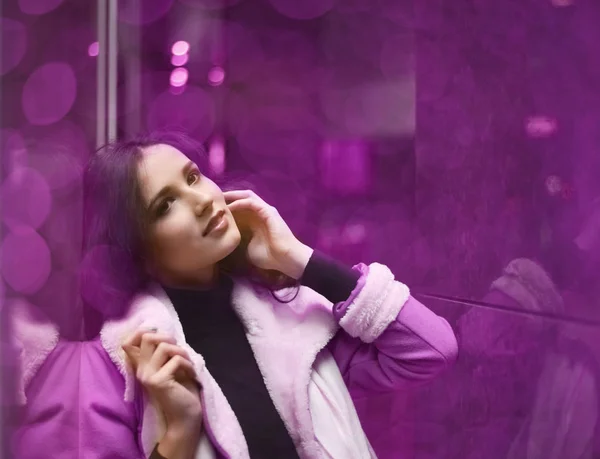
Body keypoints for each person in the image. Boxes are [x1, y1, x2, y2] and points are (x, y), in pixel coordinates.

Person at [13, 131, 458, 459]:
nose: (203, 199)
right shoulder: (116, 366)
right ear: (138, 252)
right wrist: (179, 437)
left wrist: (299, 260)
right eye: (165, 205)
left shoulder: (296, 320)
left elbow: (431, 350)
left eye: (193, 177)